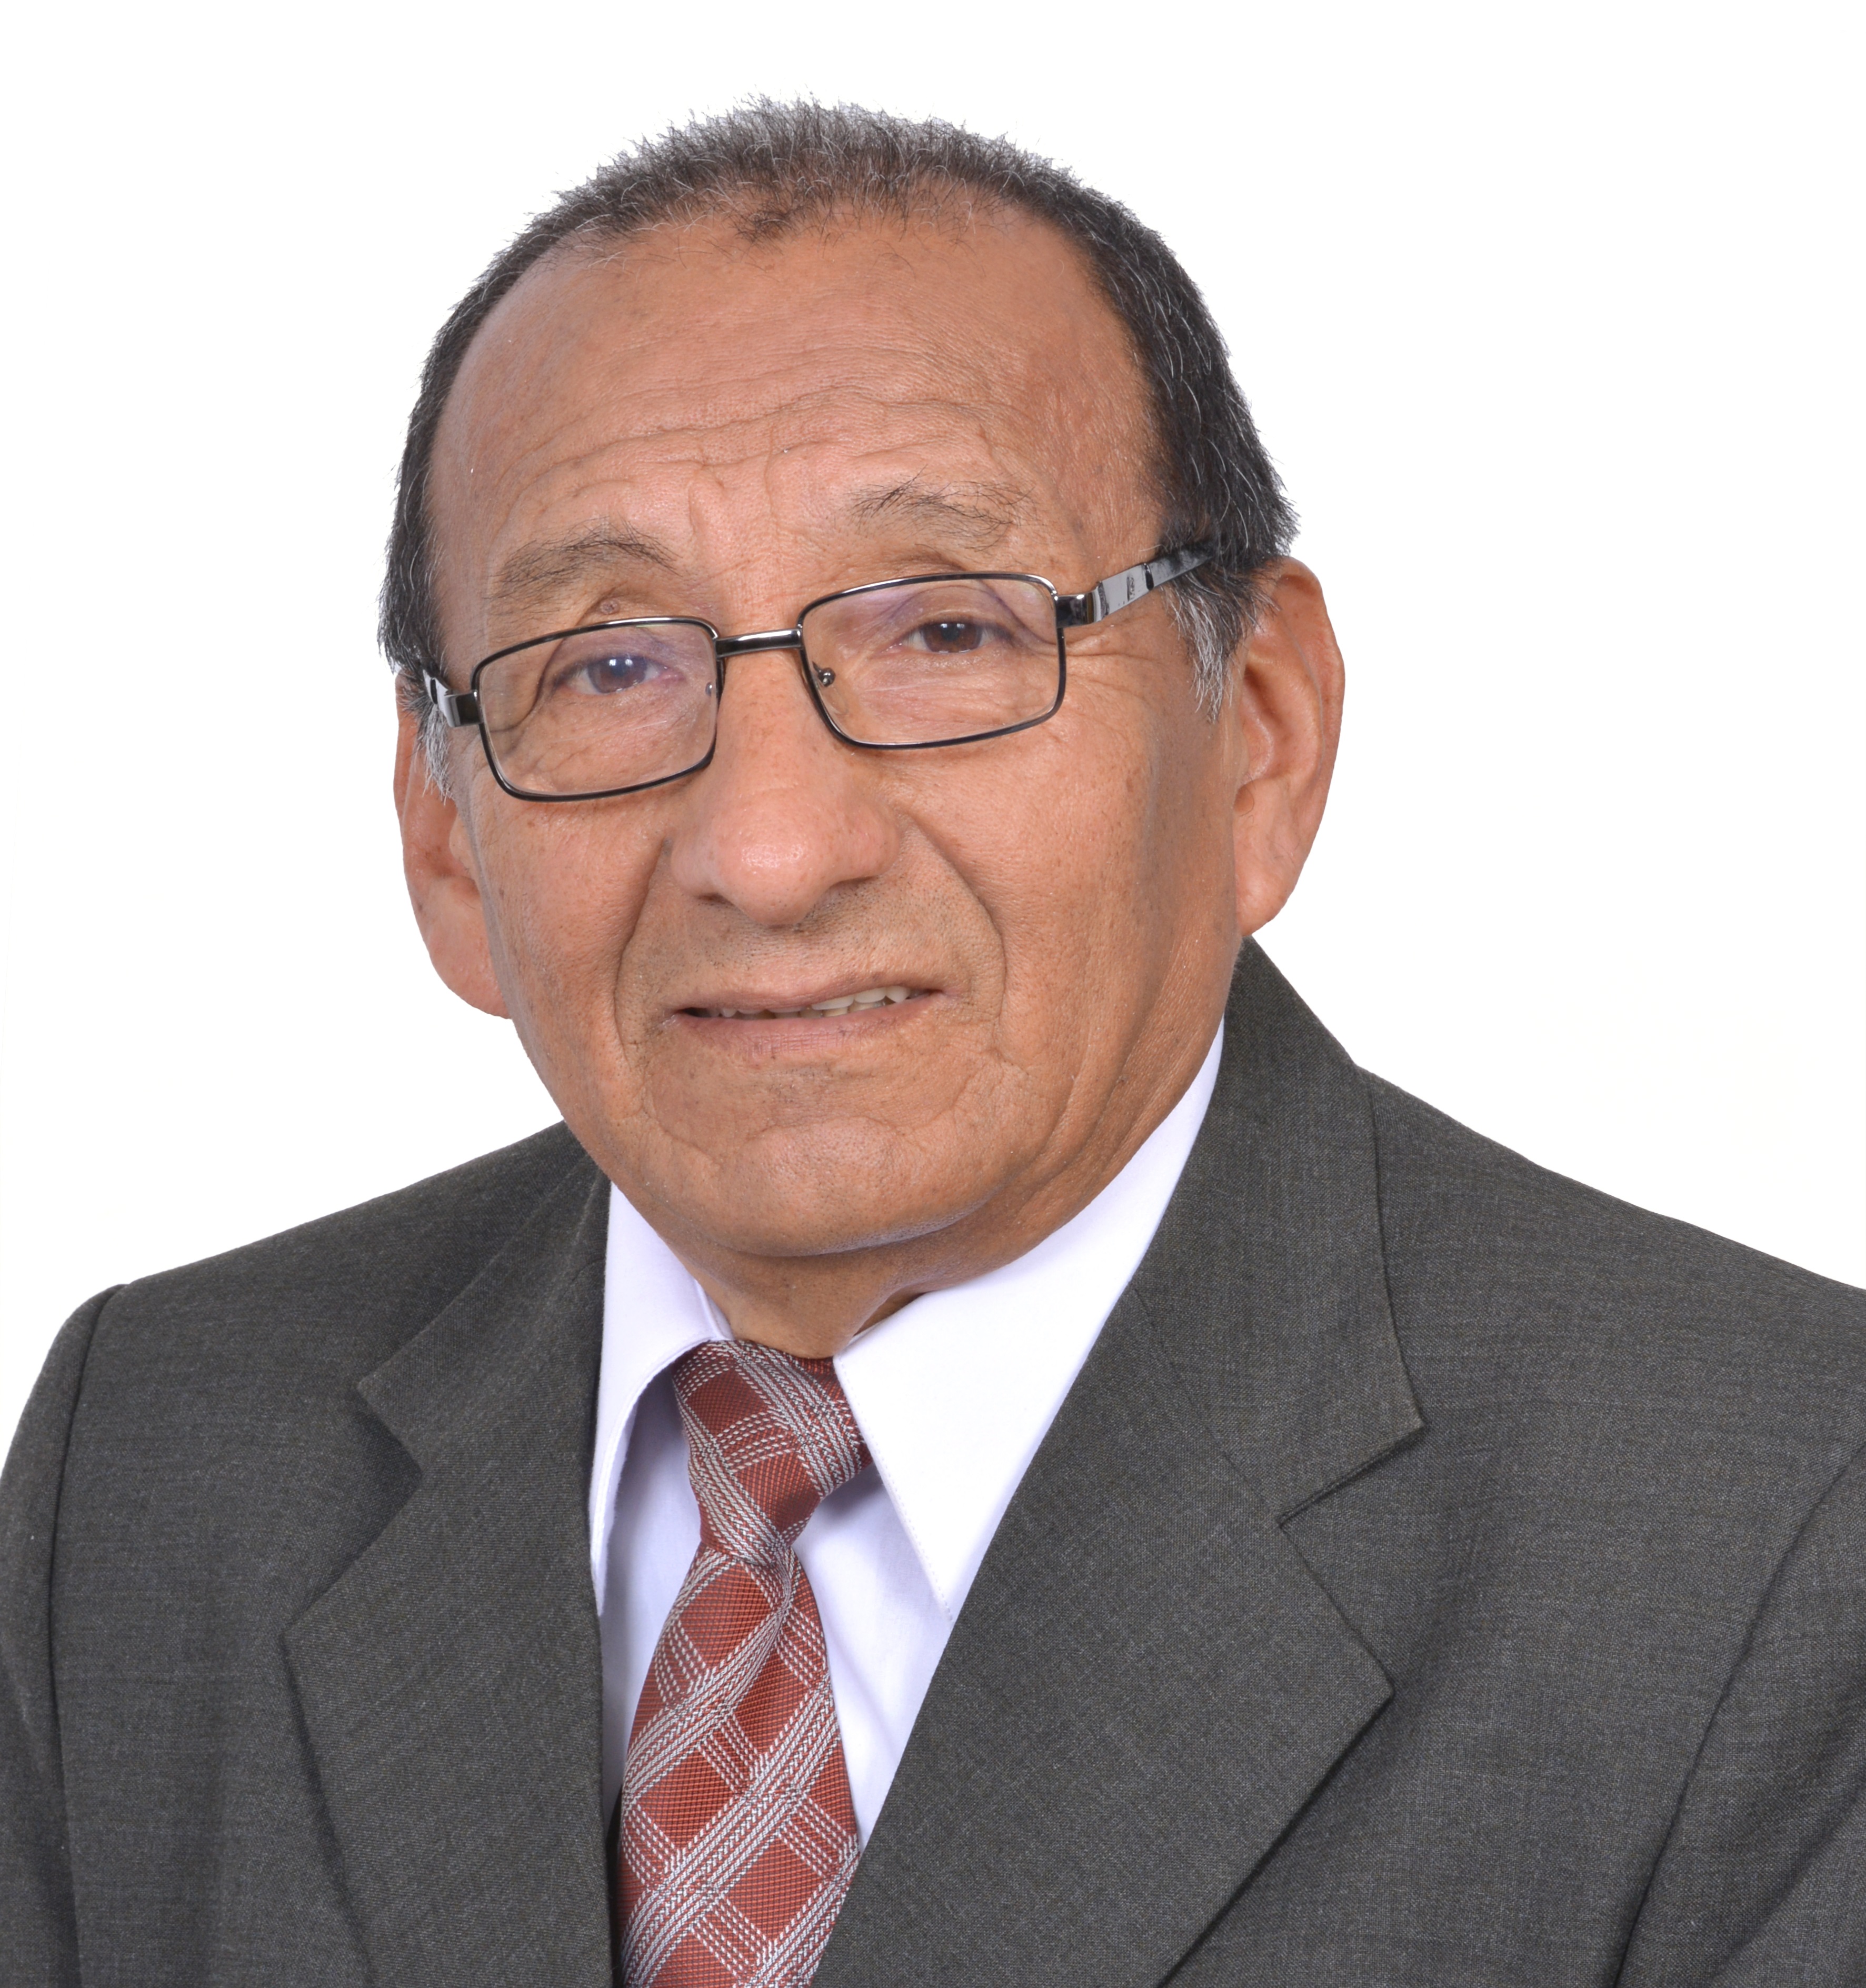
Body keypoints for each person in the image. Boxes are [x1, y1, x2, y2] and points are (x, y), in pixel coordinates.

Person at [4, 100, 1864, 1988]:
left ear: (1259, 735)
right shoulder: (161, 1456)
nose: (770, 848)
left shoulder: (1780, 1530)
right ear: (444, 836)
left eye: (948, 635)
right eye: (610, 665)